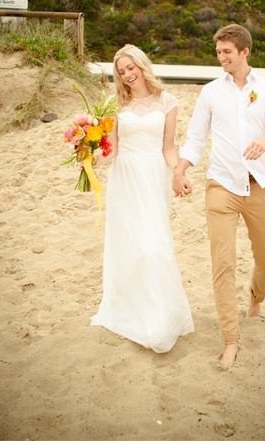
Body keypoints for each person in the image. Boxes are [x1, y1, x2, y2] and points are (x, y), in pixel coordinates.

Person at [173, 24, 265, 369]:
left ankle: (256, 298)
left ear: (244, 53)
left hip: (260, 185)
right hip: (221, 186)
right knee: (222, 265)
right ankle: (230, 339)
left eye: (227, 52)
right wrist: (181, 169)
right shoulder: (210, 93)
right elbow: (195, 138)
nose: (221, 57)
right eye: (218, 52)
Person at [90, 44, 194, 353]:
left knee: (154, 244)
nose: (127, 74)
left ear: (142, 65)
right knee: (131, 245)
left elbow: (169, 148)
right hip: (124, 178)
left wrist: (179, 172)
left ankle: (162, 315)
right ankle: (135, 310)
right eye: (121, 71)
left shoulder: (167, 101)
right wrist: (93, 156)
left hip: (153, 177)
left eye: (130, 67)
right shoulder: (115, 104)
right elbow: (113, 147)